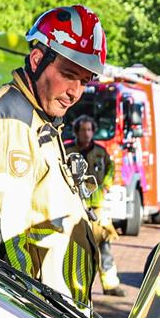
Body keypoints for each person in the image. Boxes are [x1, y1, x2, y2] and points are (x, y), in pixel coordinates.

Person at [0, 5, 108, 304]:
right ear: (37, 59)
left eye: (84, 80)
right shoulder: (13, 119)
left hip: (59, 317)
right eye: (68, 75)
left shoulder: (41, 120)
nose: (75, 92)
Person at [66, 115, 124, 295]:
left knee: (104, 245)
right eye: (83, 130)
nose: (86, 133)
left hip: (97, 206)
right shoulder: (67, 150)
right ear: (76, 131)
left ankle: (110, 284)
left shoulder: (100, 152)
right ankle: (76, 286)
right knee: (74, 246)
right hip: (73, 205)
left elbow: (111, 168)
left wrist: (106, 185)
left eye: (89, 130)